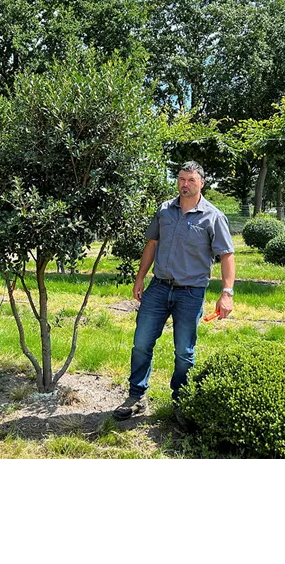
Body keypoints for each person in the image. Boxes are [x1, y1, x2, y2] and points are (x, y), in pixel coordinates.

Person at [112, 160, 235, 424]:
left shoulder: (213, 216)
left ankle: (181, 401)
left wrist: (227, 292)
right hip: (158, 288)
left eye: (191, 180)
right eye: (181, 179)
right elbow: (152, 244)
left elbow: (226, 255)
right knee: (142, 343)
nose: (185, 184)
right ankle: (136, 397)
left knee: (184, 351)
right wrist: (140, 277)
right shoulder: (165, 211)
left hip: (190, 293)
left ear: (202, 183)